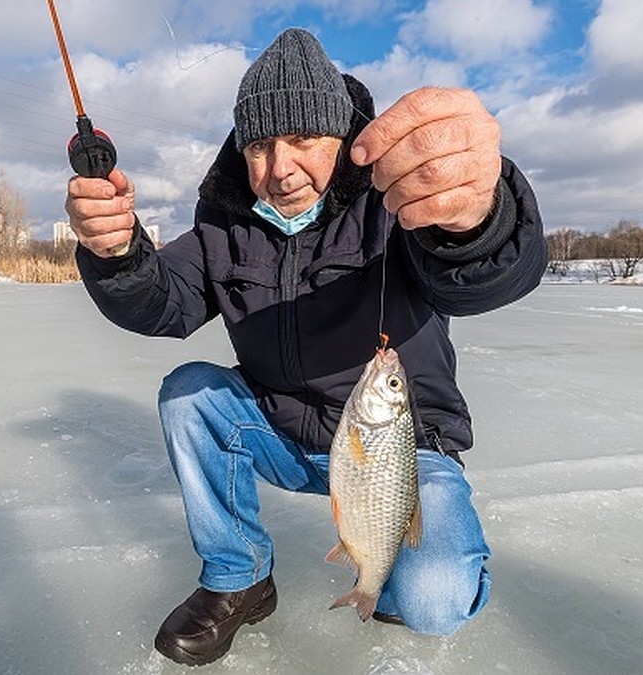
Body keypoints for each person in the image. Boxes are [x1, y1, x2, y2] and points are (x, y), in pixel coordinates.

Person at [65, 28, 546, 667]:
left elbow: (475, 278)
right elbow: (164, 300)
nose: (279, 168)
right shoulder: (226, 220)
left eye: (304, 140)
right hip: (283, 434)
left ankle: (407, 577)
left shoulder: (395, 203)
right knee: (189, 392)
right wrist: (116, 251)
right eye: (260, 145)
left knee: (433, 603)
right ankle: (240, 581)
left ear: (344, 140)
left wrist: (479, 216)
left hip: (400, 450)